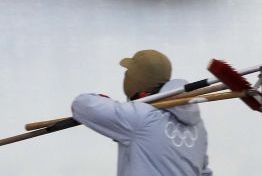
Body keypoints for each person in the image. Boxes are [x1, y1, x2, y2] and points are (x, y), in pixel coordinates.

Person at [71, 50, 212, 176]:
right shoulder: (198, 126)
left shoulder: (140, 117)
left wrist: (103, 100)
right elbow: (204, 172)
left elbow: (81, 105)